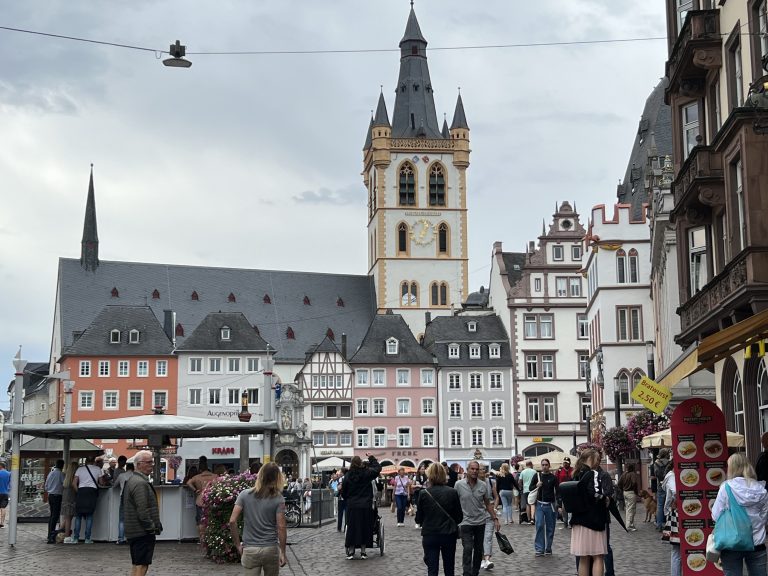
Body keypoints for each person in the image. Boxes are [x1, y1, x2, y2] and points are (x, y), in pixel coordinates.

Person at [711, 453, 768, 576]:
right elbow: (764, 517)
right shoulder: (761, 490)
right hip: (756, 542)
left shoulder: (726, 487)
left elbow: (715, 515)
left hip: (731, 543)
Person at [229, 461, 287, 575]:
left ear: (260, 475)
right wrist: (283, 552)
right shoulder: (278, 498)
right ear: (277, 478)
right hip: (270, 548)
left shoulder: (244, 495)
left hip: (250, 548)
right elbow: (281, 527)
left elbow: (232, 521)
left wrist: (237, 544)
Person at [416, 462, 463, 576]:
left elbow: (418, 519)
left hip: (430, 534)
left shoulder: (423, 493)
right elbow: (459, 517)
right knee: (449, 568)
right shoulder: (452, 492)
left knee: (432, 570)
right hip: (448, 534)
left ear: (429, 475)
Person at [455, 460, 501, 576]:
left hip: (480, 522)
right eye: (472, 469)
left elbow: (487, 503)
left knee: (478, 550)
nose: (475, 471)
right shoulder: (459, 485)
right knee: (467, 548)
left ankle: (475, 572)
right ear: (467, 470)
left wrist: (495, 518)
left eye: (476, 469)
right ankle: (466, 573)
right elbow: (454, 503)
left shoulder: (483, 485)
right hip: (465, 522)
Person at [124, 450, 162, 576]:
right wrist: (151, 527)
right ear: (139, 464)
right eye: (148, 462)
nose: (152, 465)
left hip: (135, 530)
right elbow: (142, 510)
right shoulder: (140, 483)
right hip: (142, 531)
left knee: (137, 564)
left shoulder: (133, 480)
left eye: (152, 462)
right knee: (142, 564)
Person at [570, 449, 608, 576]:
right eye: (597, 459)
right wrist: (605, 498)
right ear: (590, 458)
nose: (598, 462)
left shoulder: (575, 473)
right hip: (593, 520)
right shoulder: (592, 473)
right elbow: (593, 494)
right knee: (598, 556)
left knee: (584, 557)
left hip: (578, 519)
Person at [341, 453, 381, 560]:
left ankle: (351, 551)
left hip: (352, 505)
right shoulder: (366, 473)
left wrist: (348, 498)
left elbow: (343, 490)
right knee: (364, 527)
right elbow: (378, 468)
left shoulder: (348, 475)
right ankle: (363, 552)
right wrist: (371, 457)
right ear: (360, 463)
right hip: (365, 504)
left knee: (352, 528)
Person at [66, 455, 102, 544]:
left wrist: (79, 492)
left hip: (81, 491)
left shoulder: (80, 469)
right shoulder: (98, 469)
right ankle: (87, 538)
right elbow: (101, 482)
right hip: (92, 492)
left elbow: (74, 483)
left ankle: (76, 538)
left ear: (86, 461)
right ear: (94, 461)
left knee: (78, 516)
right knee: (89, 516)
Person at [186, 456, 218, 542]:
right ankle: (211, 538)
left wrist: (195, 490)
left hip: (200, 500)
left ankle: (202, 538)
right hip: (212, 500)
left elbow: (188, 482)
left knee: (200, 521)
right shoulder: (215, 476)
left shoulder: (197, 477)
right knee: (212, 519)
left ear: (200, 469)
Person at [533, 458, 559, 556]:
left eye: (546, 465)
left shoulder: (553, 478)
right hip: (539, 504)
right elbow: (530, 488)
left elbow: (558, 491)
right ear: (541, 466)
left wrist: (559, 504)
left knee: (550, 527)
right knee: (539, 525)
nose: (544, 466)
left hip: (550, 505)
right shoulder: (537, 476)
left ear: (549, 466)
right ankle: (539, 549)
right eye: (543, 465)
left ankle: (548, 547)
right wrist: (536, 485)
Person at [661, 461, 680, 576]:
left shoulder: (672, 476)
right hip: (675, 515)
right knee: (676, 550)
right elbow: (676, 491)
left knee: (677, 551)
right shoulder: (672, 476)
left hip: (675, 514)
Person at [478, 466, 498, 569]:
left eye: (483, 469)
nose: (483, 471)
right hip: (478, 514)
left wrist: (495, 508)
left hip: (489, 513)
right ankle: (482, 559)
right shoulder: (474, 483)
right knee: (479, 538)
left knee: (488, 537)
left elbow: (496, 497)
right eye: (480, 469)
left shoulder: (490, 482)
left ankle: (487, 559)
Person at [44, 459, 65, 543]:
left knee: (52, 515)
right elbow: (65, 484)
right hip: (57, 496)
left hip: (50, 495)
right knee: (55, 516)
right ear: (62, 466)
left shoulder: (50, 473)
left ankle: (49, 533)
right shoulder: (61, 474)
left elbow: (46, 486)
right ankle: (51, 535)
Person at [115, 462, 135, 544]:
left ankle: (120, 539)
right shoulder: (135, 476)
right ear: (133, 468)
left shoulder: (121, 475)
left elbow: (114, 485)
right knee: (132, 518)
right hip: (133, 497)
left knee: (122, 519)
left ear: (126, 468)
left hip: (123, 497)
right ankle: (130, 538)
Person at [617, 463, 639, 531]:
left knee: (628, 509)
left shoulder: (624, 474)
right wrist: (636, 491)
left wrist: (622, 489)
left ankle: (630, 524)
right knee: (631, 509)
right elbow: (634, 482)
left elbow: (619, 483)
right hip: (631, 493)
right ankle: (629, 526)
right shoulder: (632, 474)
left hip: (625, 492)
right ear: (633, 468)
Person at [653, 448, 670, 531]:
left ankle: (659, 524)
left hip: (660, 485)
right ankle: (668, 523)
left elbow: (656, 474)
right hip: (669, 484)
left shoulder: (656, 463)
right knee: (669, 504)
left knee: (660, 505)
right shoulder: (670, 462)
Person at [60, 461, 78, 541]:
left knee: (66, 518)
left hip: (65, 498)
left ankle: (59, 533)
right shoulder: (74, 478)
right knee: (68, 519)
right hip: (71, 499)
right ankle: (67, 536)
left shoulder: (66, 478)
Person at [555, 457, 574, 528]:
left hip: (571, 490)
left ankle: (570, 522)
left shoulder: (573, 470)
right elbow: (556, 480)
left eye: (567, 463)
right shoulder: (559, 470)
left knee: (571, 507)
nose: (565, 464)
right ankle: (565, 521)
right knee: (563, 508)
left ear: (569, 463)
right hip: (562, 490)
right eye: (564, 463)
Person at [412, 464, 428, 529]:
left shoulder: (426, 477)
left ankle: (422, 523)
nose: (423, 470)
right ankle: (417, 522)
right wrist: (417, 486)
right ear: (419, 470)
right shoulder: (415, 477)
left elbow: (428, 486)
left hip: (424, 493)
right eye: (422, 469)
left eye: (424, 469)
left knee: (424, 508)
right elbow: (412, 486)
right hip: (418, 493)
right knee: (419, 508)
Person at [0, 461, 9, 528]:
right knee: (3, 508)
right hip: (5, 493)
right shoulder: (9, 473)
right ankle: (2, 523)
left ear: (0, 466)